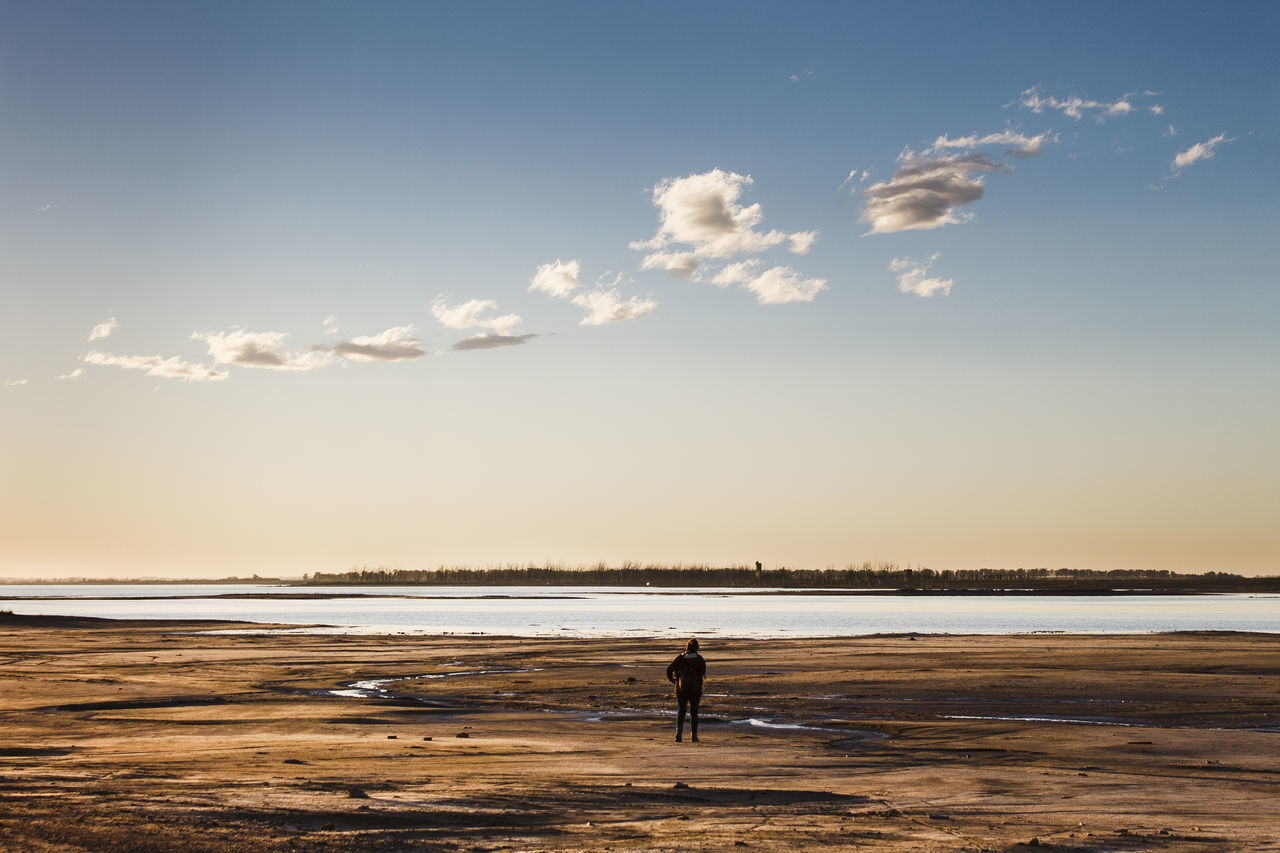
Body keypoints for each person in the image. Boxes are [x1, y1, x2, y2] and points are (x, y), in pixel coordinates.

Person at [665, 638, 706, 742]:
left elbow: (669, 669)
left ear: (687, 646)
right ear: (697, 647)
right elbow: (703, 672)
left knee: (681, 711)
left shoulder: (681, 657)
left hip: (681, 688)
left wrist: (673, 680)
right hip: (695, 689)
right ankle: (694, 736)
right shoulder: (699, 659)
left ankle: (678, 733)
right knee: (694, 712)